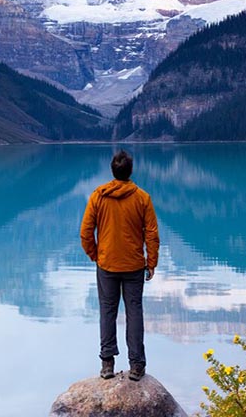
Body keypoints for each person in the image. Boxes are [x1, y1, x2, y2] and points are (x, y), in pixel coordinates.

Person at [79, 148, 159, 382]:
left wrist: (96, 255)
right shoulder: (142, 198)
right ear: (130, 171)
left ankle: (107, 364)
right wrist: (151, 261)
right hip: (134, 265)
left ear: (113, 171)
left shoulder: (98, 196)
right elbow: (151, 233)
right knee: (134, 312)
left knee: (107, 311)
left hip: (107, 265)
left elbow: (85, 232)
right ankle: (136, 366)